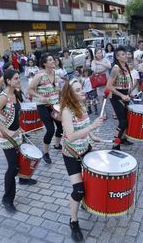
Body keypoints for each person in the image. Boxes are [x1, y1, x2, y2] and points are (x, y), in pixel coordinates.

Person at [60, 78, 103, 242]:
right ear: (70, 94)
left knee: (91, 181)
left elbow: (84, 124)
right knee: (78, 190)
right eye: (77, 90)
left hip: (86, 149)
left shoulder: (82, 105)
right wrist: (91, 128)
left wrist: (92, 135)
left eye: (81, 88)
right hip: (71, 154)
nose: (82, 91)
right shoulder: (66, 111)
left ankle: (86, 203)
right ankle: (73, 221)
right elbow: (70, 136)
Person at [0, 69, 35, 213]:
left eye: (18, 78)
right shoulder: (3, 97)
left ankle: (23, 178)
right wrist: (7, 130)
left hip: (17, 134)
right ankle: (7, 199)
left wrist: (19, 128)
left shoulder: (15, 93)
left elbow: (15, 114)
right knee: (12, 167)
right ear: (8, 81)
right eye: (15, 79)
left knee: (19, 163)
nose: (18, 80)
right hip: (6, 137)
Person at [28, 54, 63, 164]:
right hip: (42, 106)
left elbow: (58, 90)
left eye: (53, 59)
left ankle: (57, 145)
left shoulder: (56, 74)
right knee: (50, 130)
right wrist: (40, 96)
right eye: (50, 60)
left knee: (61, 127)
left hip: (55, 105)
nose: (53, 61)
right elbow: (29, 90)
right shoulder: (40, 76)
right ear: (44, 63)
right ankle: (45, 153)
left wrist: (61, 101)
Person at [107, 46, 134, 150]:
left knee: (125, 120)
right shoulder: (116, 68)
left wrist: (128, 93)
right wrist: (122, 95)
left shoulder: (126, 66)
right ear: (117, 57)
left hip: (125, 96)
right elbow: (109, 86)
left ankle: (122, 139)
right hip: (116, 97)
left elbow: (125, 82)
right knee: (123, 122)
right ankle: (115, 145)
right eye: (123, 54)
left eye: (126, 53)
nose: (126, 55)